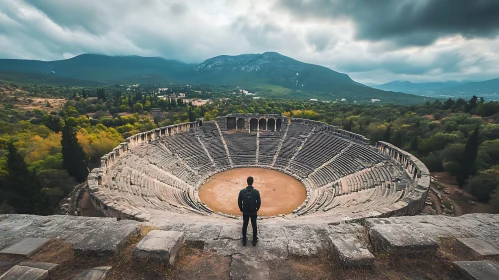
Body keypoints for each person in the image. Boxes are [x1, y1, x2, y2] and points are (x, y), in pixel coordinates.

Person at [238, 176, 261, 246]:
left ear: (247, 182)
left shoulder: (242, 192)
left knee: (245, 225)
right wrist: (256, 209)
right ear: (252, 182)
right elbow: (259, 202)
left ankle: (244, 241)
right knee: (254, 226)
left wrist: (242, 209)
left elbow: (239, 202)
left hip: (245, 212)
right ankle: (254, 241)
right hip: (253, 211)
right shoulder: (256, 192)